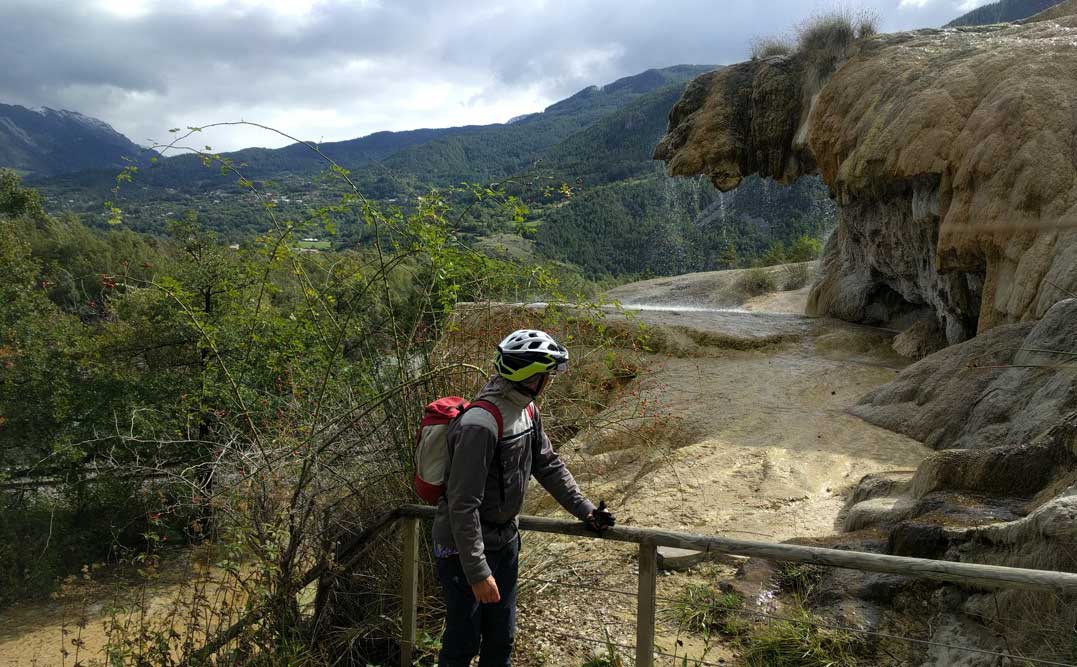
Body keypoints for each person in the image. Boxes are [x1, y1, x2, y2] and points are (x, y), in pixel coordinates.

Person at [431, 329, 615, 667]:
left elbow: (546, 464)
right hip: (462, 550)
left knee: (501, 641)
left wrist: (585, 509)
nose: (549, 382)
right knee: (463, 643)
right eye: (547, 375)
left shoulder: (527, 412)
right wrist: (477, 572)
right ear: (531, 378)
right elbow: (462, 503)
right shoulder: (481, 424)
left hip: (504, 542)